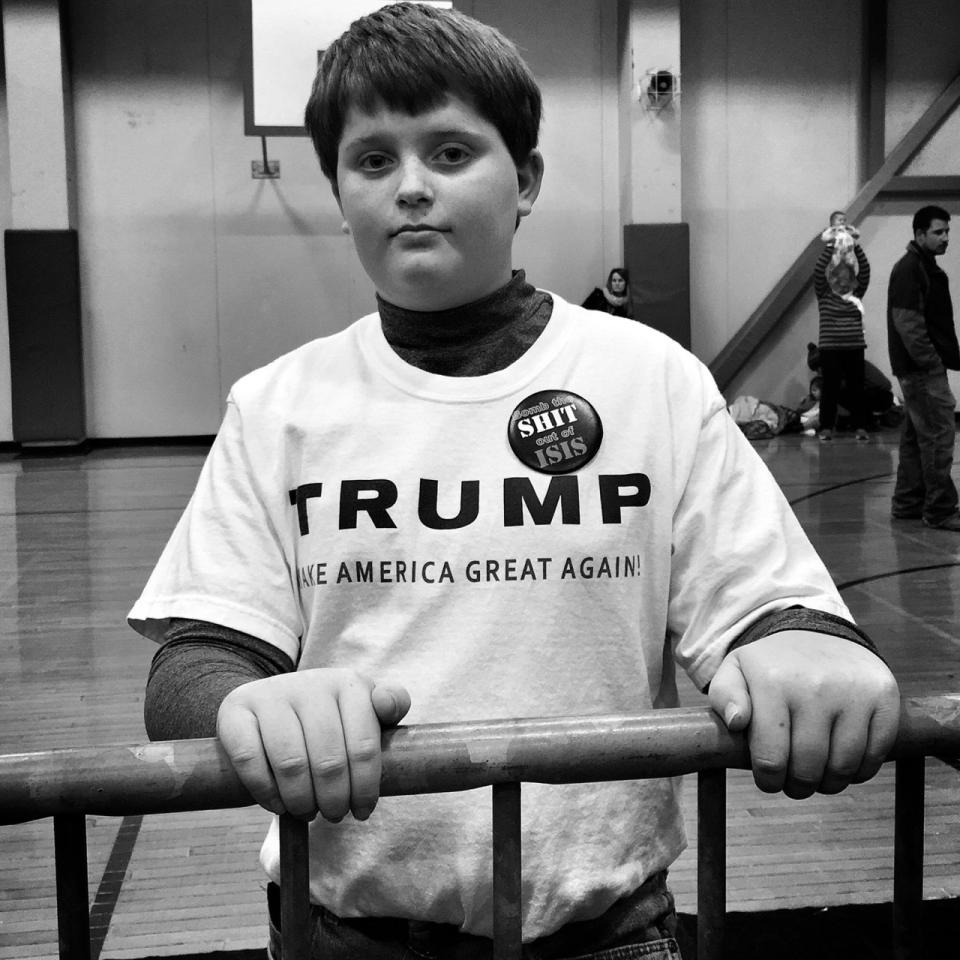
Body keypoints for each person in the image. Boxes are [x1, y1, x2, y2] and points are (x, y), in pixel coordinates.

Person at [128, 6, 899, 958]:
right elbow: (196, 656)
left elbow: (769, 604)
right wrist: (243, 700)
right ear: (338, 194)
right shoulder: (278, 404)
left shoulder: (647, 379)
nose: (411, 187)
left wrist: (805, 644)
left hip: (604, 932)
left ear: (525, 179)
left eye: (451, 153)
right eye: (373, 161)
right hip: (347, 931)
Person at [887, 205, 960, 530]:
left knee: (918, 438)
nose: (945, 237)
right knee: (939, 436)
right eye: (938, 232)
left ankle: (908, 503)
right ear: (919, 234)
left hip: (919, 369)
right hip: (921, 371)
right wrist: (931, 363)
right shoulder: (911, 269)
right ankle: (941, 510)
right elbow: (908, 324)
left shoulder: (923, 267)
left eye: (947, 231)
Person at [812, 211, 871, 442]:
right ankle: (827, 427)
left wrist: (855, 246)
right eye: (837, 276)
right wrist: (831, 246)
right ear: (832, 278)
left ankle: (861, 426)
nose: (842, 279)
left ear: (852, 280)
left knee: (858, 388)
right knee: (831, 388)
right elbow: (819, 271)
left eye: (847, 277)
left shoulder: (856, 295)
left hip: (854, 346)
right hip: (830, 348)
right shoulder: (825, 295)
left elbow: (864, 270)